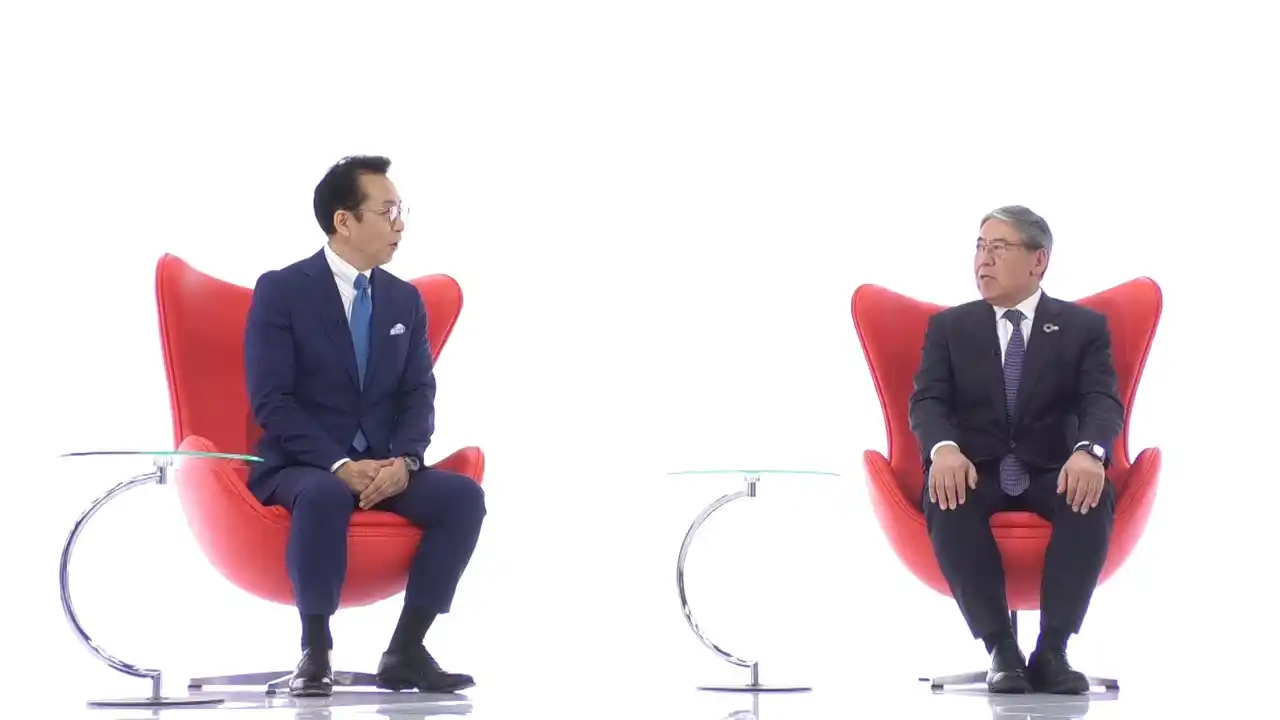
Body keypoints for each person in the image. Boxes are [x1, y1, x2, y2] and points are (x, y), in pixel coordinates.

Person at [243, 155, 486, 697]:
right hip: (302, 464)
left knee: (463, 498)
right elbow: (272, 402)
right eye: (387, 210)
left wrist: (406, 461)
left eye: (401, 211)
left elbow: (418, 393)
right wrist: (338, 463)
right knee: (325, 493)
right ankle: (315, 650)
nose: (400, 224)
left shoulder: (404, 299)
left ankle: (406, 650)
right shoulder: (282, 290)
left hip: (383, 463)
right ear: (344, 221)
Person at [909, 205, 1122, 695]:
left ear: (1037, 261)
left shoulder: (1083, 328)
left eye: (999, 248)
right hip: (976, 468)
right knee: (946, 495)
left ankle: (1052, 650)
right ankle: (1001, 649)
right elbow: (928, 400)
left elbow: (1102, 400)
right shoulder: (950, 328)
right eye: (980, 247)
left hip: (1052, 467)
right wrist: (943, 448)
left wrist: (1090, 451)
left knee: (1091, 496)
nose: (983, 259)